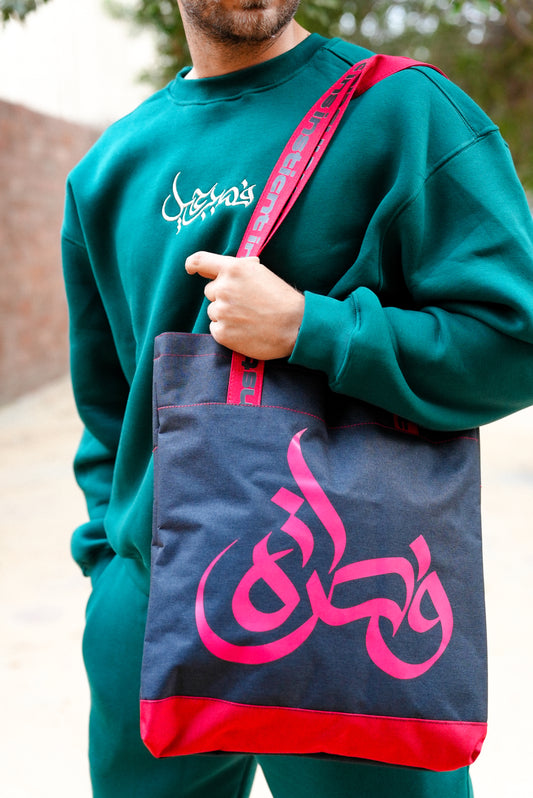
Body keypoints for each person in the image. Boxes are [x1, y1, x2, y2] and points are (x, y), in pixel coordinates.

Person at [61, 1, 533, 796]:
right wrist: (109, 571)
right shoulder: (109, 169)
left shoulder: (403, 112)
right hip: (147, 613)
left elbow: (515, 340)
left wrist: (311, 329)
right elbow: (108, 408)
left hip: (351, 601)